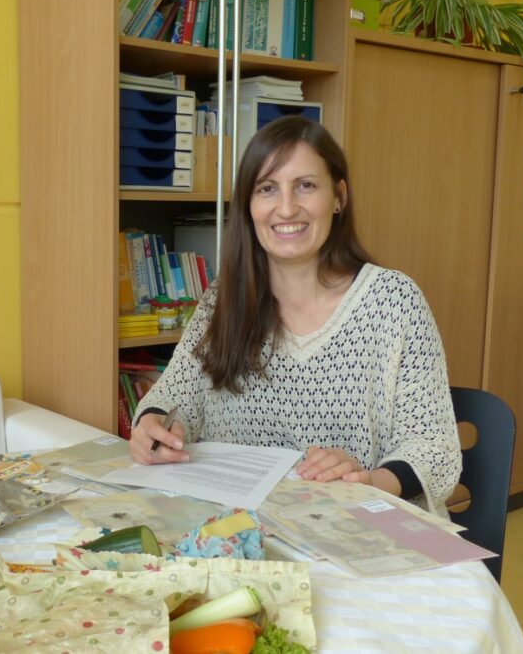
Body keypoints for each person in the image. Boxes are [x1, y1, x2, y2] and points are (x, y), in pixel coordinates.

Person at [129, 117, 461, 518]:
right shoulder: (223, 300)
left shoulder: (394, 301)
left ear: (338, 196)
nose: (286, 208)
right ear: (249, 206)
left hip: (357, 526)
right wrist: (152, 423)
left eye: (306, 185)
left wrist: (369, 480)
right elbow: (173, 397)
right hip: (248, 530)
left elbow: (432, 449)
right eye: (267, 189)